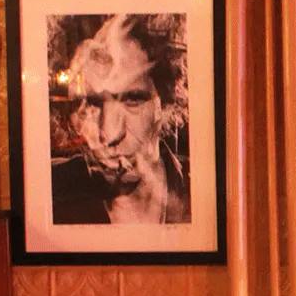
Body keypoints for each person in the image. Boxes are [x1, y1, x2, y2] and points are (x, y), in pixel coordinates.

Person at [49, 14, 190, 225]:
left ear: (163, 103)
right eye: (94, 103)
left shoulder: (201, 190)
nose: (110, 133)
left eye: (132, 99)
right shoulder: (54, 193)